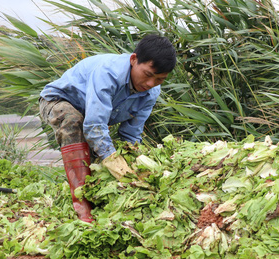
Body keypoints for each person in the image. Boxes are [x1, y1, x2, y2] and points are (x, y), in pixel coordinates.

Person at [39, 34, 177, 222]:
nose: (150, 84)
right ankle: (82, 206)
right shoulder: (109, 72)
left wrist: (131, 166)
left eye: (160, 79)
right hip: (57, 101)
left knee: (98, 163)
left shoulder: (151, 92)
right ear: (134, 60)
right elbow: (94, 125)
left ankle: (97, 200)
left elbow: (131, 134)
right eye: (148, 75)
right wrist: (112, 159)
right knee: (73, 121)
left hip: (88, 115)